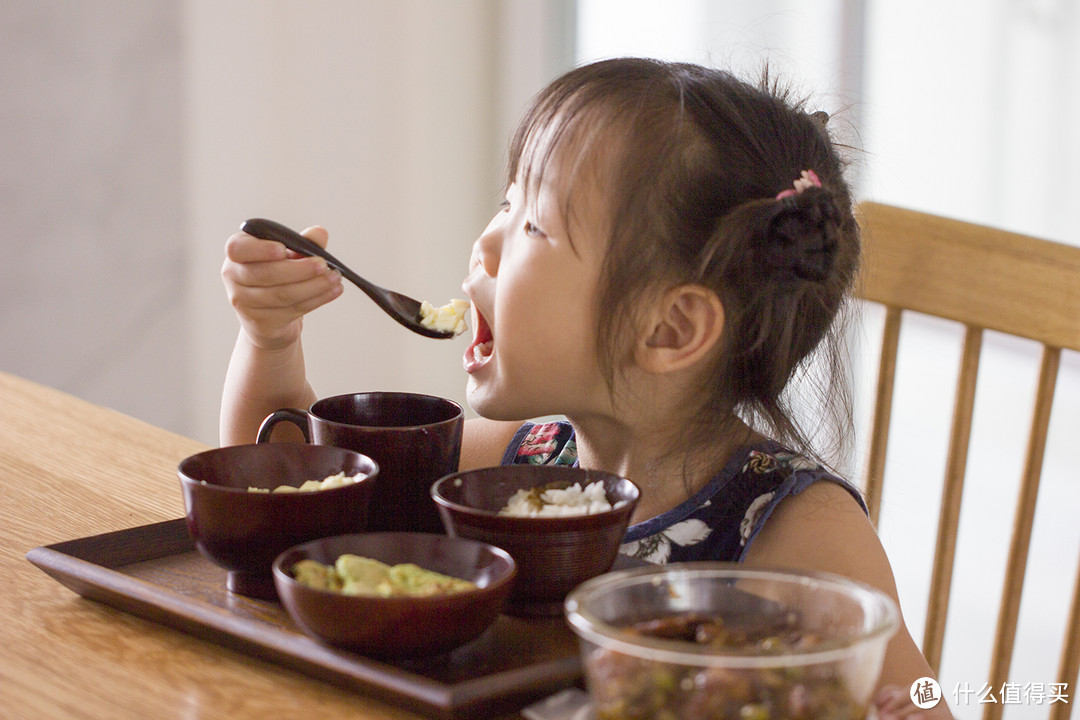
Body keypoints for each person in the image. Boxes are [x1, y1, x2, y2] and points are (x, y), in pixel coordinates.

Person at [220, 57, 950, 718]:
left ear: (669, 330)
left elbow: (922, 698)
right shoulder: (528, 457)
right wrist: (270, 340)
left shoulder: (793, 528)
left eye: (533, 225)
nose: (486, 242)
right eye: (506, 203)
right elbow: (285, 510)